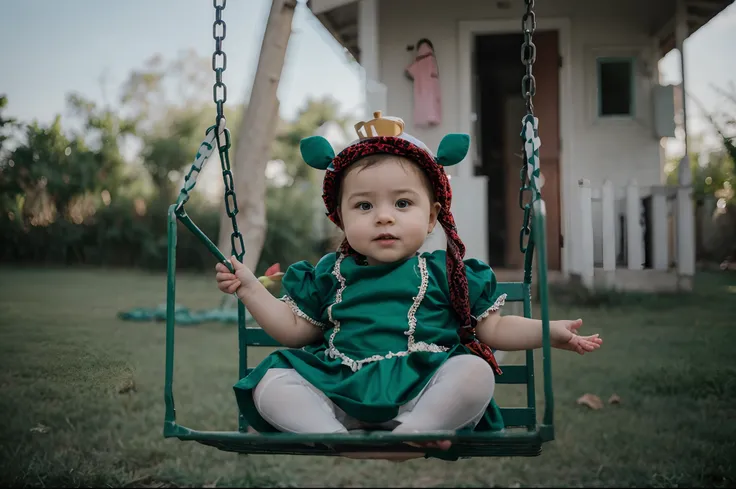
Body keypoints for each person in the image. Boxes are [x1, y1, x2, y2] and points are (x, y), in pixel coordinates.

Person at [215, 111, 602, 461]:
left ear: (432, 216)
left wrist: (550, 331)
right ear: (341, 218)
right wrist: (250, 288)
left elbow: (495, 329)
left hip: (421, 393)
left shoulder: (447, 271)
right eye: (364, 206)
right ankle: (335, 438)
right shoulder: (329, 273)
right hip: (340, 393)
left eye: (402, 204)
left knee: (474, 371)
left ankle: (416, 433)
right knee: (271, 381)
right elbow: (294, 332)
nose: (384, 217)